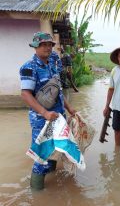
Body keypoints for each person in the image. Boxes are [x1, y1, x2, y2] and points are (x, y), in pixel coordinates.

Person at [19, 32, 76, 190]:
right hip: (41, 119)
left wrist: (69, 107)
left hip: (58, 116)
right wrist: (45, 113)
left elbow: (57, 90)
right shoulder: (29, 67)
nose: (47, 47)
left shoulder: (53, 64)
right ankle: (37, 192)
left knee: (54, 148)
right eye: (43, 44)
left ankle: (50, 178)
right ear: (36, 46)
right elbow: (25, 94)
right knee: (41, 155)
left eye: (50, 44)